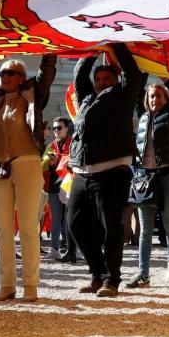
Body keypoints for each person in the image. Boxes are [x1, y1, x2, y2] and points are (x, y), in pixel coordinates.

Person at [0, 55, 57, 302]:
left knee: (29, 227)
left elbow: (46, 73)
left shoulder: (34, 96)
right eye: (2, 73)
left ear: (22, 78)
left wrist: (49, 48)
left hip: (27, 164)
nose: (5, 77)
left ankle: (31, 285)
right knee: (2, 229)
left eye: (10, 73)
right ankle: (6, 284)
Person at [67, 44, 143, 298]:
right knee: (75, 224)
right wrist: (90, 47)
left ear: (116, 79)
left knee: (111, 227)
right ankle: (97, 274)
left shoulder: (124, 95)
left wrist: (115, 44)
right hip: (82, 172)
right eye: (98, 79)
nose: (101, 82)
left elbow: (133, 71)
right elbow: (80, 75)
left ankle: (112, 280)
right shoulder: (86, 98)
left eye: (106, 78)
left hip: (111, 172)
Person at [127, 77, 169, 291]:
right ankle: (143, 275)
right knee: (144, 231)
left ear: (166, 98)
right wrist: (142, 71)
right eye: (151, 96)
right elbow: (135, 92)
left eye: (159, 95)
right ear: (147, 99)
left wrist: (167, 78)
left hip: (168, 176)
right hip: (145, 178)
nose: (155, 99)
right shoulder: (142, 116)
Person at [43, 117, 75, 262]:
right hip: (54, 187)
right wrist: (49, 162)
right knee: (56, 219)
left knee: (70, 219)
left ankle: (72, 249)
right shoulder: (51, 146)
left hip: (70, 186)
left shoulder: (73, 143)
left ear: (67, 128)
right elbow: (42, 163)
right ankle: (54, 249)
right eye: (54, 128)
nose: (56, 131)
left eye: (59, 128)